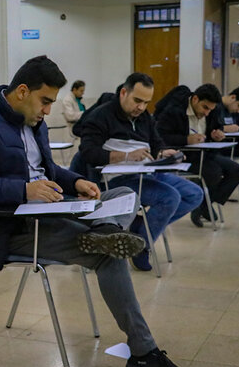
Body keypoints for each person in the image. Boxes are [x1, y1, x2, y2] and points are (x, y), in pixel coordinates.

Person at [0, 55, 190, 367]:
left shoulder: (35, 121)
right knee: (110, 254)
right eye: (44, 101)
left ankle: (104, 229)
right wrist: (23, 189)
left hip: (54, 213)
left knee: (122, 195)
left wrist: (76, 181)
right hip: (11, 229)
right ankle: (144, 352)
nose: (48, 111)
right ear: (21, 91)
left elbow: (48, 171)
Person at [78, 73, 204, 271]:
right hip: (117, 180)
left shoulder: (144, 117)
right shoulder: (101, 116)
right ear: (123, 93)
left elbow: (155, 143)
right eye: (137, 101)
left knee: (194, 193)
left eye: (146, 102)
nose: (141, 107)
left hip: (147, 173)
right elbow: (88, 152)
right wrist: (126, 156)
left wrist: (164, 152)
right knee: (170, 197)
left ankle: (140, 231)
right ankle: (141, 247)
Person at [154, 84, 239, 227]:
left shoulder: (212, 111)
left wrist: (216, 134)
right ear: (195, 99)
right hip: (184, 154)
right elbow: (160, 137)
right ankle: (203, 204)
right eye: (205, 108)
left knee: (237, 171)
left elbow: (215, 127)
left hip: (205, 152)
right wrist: (186, 140)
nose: (207, 113)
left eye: (211, 109)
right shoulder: (174, 111)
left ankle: (203, 205)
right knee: (213, 172)